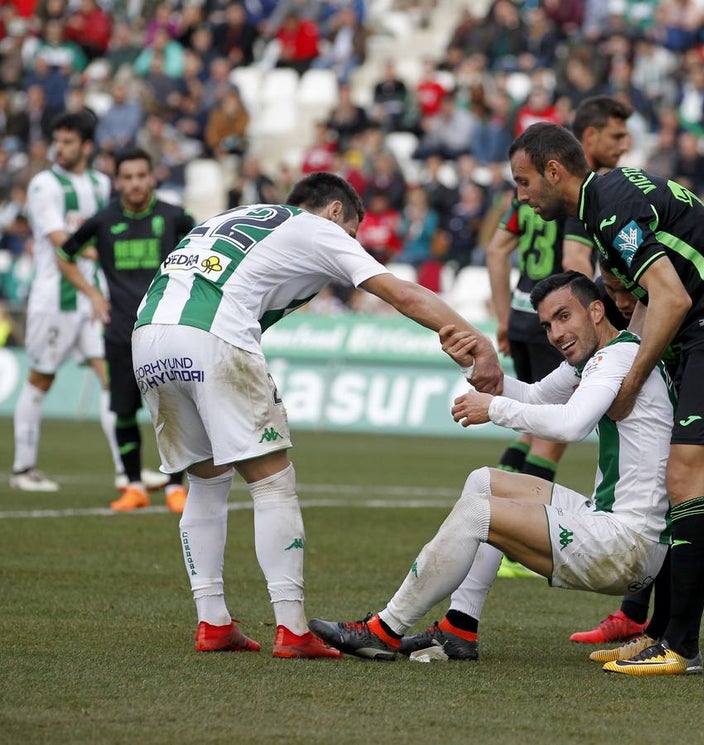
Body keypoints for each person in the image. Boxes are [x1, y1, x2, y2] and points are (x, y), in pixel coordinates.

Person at [130, 172, 502, 658]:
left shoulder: (232, 217)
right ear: (333, 212)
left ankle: (213, 621)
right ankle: (292, 629)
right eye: (351, 232)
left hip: (147, 337)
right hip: (210, 336)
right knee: (272, 483)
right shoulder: (317, 228)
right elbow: (398, 292)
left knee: (205, 480)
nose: (349, 245)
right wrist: (476, 339)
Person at [506, 122, 704, 676]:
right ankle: (658, 631)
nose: (520, 196)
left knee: (684, 481)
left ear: (554, 171)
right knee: (671, 476)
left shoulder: (610, 208)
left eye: (523, 181)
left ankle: (683, 646)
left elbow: (671, 299)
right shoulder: (607, 201)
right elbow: (651, 304)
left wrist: (629, 384)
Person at [307, 272, 673, 664]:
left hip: (626, 546)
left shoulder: (611, 359)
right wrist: (480, 370)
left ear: (597, 311)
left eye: (565, 316)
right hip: (619, 529)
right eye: (548, 324)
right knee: (484, 482)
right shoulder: (605, 355)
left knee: (478, 514)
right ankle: (458, 628)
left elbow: (571, 424)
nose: (555, 333)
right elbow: (533, 396)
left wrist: (493, 409)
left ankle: (384, 629)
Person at [485, 95, 632, 577]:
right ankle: (515, 544)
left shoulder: (525, 191)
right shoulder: (576, 194)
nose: (624, 145)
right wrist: (597, 320)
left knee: (532, 429)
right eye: (615, 136)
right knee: (551, 436)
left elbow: (496, 249)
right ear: (587, 139)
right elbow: (573, 265)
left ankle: (498, 510)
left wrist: (506, 315)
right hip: (563, 321)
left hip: (530, 313)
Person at [56, 147, 197, 512]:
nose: (135, 184)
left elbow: (203, 255)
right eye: (127, 177)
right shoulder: (102, 221)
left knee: (175, 410)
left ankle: (174, 489)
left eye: (141, 176)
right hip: (120, 330)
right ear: (117, 181)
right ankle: (133, 486)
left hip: (167, 330)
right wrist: (92, 295)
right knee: (123, 411)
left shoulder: (175, 217)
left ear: (152, 177)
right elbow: (64, 254)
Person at [10, 111, 121, 492]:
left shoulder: (101, 185)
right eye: (58, 139)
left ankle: (128, 472)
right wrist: (107, 252)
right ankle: (24, 469)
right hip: (54, 300)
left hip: (93, 303)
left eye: (69, 141)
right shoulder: (44, 184)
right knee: (41, 378)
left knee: (112, 380)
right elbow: (60, 239)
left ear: (87, 146)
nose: (60, 147)